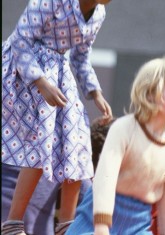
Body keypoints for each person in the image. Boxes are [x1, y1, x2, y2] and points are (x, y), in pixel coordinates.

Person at [1, 0, 113, 234]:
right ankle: (13, 223)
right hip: (22, 71)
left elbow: (80, 57)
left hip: (58, 72)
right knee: (43, 138)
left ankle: (67, 226)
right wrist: (40, 82)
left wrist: (95, 92)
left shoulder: (98, 13)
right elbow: (21, 39)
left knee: (79, 142)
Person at [65, 54, 165, 235]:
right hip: (96, 216)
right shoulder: (124, 128)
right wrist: (101, 227)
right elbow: (105, 179)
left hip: (137, 223)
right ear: (150, 92)